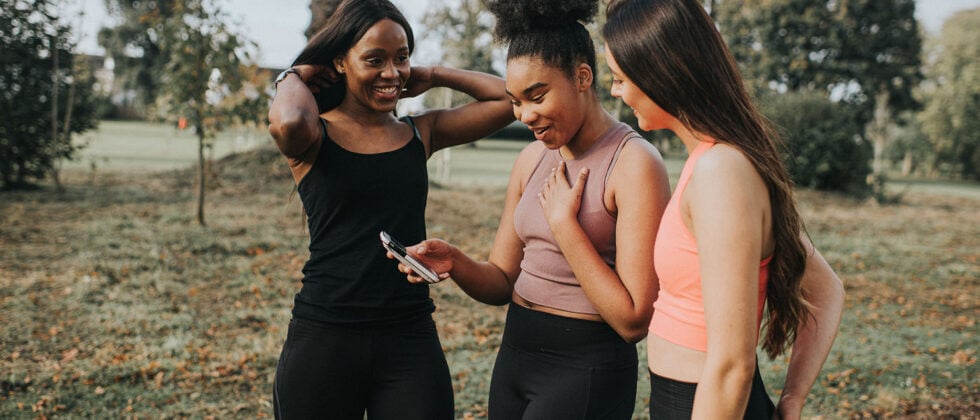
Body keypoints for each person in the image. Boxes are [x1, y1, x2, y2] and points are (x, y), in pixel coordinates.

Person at [393, 0, 671, 418]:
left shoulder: (634, 163)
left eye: (536, 96)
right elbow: (502, 280)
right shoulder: (532, 160)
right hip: (515, 359)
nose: (525, 115)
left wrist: (565, 226)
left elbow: (634, 320)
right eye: (516, 101)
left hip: (585, 369)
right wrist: (455, 261)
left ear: (582, 76)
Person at [266, 0, 514, 418]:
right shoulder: (313, 136)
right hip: (326, 333)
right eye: (374, 60)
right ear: (341, 63)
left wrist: (432, 75)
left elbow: (509, 101)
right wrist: (294, 74)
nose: (391, 72)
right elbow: (288, 121)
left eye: (401, 58)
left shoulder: (420, 132)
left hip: (408, 335)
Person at [600, 0, 846, 418]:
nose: (615, 90)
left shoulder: (721, 173)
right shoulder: (715, 162)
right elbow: (826, 289)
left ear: (659, 73)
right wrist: (790, 400)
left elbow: (732, 365)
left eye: (620, 78)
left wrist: (793, 399)